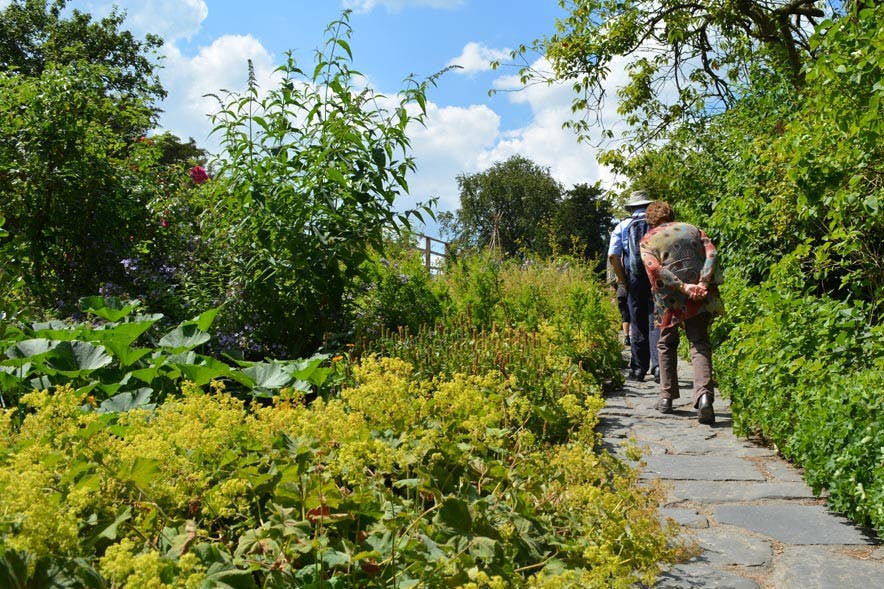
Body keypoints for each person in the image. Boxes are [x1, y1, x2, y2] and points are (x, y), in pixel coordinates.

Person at [639, 201, 723, 424]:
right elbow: (712, 253)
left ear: (650, 221)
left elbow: (654, 268)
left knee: (666, 344)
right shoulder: (694, 229)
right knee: (699, 343)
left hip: (669, 299)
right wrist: (703, 283)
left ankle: (666, 398)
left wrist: (681, 286)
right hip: (699, 295)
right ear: (672, 215)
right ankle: (704, 397)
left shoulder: (648, 240)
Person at [608, 191, 660, 382]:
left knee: (637, 321)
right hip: (657, 276)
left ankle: (638, 369)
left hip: (634, 278)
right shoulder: (657, 224)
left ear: (630, 208)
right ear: (648, 206)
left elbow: (613, 256)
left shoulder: (622, 225)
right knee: (656, 320)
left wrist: (623, 280)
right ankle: (658, 368)